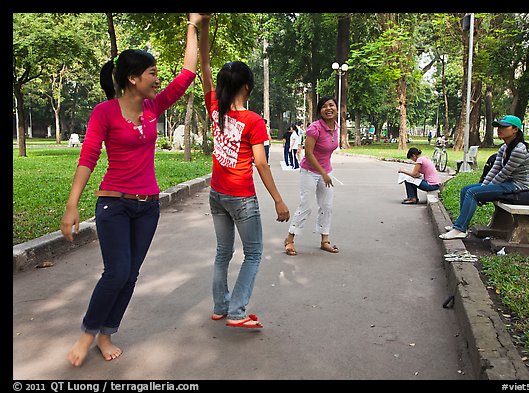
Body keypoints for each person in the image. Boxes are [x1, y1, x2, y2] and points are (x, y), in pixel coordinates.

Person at [59, 13, 203, 367]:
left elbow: (187, 74)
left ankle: (107, 333)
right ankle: (88, 333)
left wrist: (193, 25)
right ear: (132, 78)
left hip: (148, 207)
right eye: (152, 73)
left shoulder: (154, 108)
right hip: (114, 205)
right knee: (117, 272)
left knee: (131, 274)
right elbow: (89, 157)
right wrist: (71, 205)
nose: (158, 79)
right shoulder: (104, 112)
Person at [198, 14, 290, 328]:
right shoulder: (253, 121)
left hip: (216, 194)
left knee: (223, 250)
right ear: (248, 87)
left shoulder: (214, 107)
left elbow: (205, 68)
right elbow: (261, 163)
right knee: (253, 253)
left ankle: (221, 306)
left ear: (223, 86)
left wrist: (203, 26)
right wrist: (278, 199)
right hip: (241, 197)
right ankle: (236, 311)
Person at [440, 115, 529, 240]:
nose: (500, 129)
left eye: (504, 127)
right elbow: (495, 169)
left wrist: (484, 190)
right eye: (499, 126)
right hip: (505, 183)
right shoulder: (504, 147)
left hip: (517, 187)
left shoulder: (519, 150)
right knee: (465, 189)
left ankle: (459, 229)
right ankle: (461, 225)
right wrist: (484, 187)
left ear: (515, 130)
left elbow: (504, 173)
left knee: (472, 193)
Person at [284, 96, 339, 255]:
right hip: (309, 171)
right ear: (319, 111)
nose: (328, 109)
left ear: (336, 108)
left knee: (327, 206)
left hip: (326, 171)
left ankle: (324, 241)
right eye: (324, 107)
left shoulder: (336, 127)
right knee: (306, 206)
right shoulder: (314, 128)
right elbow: (308, 154)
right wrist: (323, 173)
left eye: (331, 105)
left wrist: (326, 172)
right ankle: (289, 239)